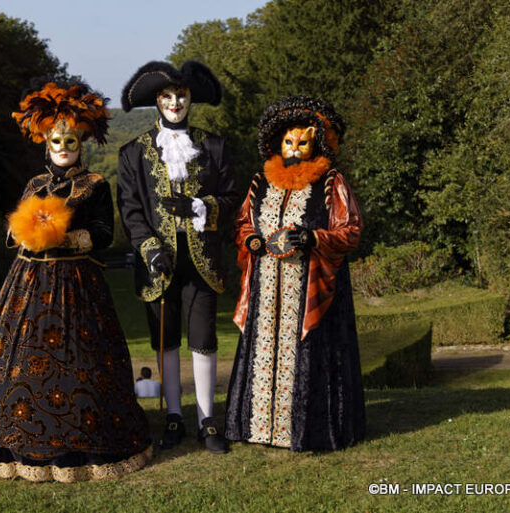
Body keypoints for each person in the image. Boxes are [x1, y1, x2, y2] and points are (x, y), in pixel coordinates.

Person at [0, 82, 152, 482]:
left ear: (82, 142)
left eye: (71, 140)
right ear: (46, 143)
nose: (64, 146)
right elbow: (13, 228)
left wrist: (68, 237)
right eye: (57, 140)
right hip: (26, 285)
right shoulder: (35, 184)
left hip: (76, 286)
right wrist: (22, 232)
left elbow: (105, 232)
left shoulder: (95, 185)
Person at [225, 96, 366, 452]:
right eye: (289, 142)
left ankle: (304, 429)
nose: (294, 149)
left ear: (315, 142)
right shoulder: (261, 182)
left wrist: (313, 237)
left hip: (308, 288)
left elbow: (349, 230)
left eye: (302, 142)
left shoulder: (330, 182)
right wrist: (254, 242)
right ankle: (258, 427)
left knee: (307, 356)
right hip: (266, 286)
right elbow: (243, 223)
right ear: (277, 143)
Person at [117, 60, 240, 453]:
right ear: (157, 100)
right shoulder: (133, 153)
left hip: (203, 259)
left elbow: (234, 199)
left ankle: (207, 420)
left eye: (182, 95)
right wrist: (151, 252)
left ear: (191, 99)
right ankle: (173, 416)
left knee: (203, 338)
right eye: (167, 96)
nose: (175, 102)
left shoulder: (214, 146)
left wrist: (200, 207)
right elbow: (131, 210)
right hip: (160, 264)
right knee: (165, 340)